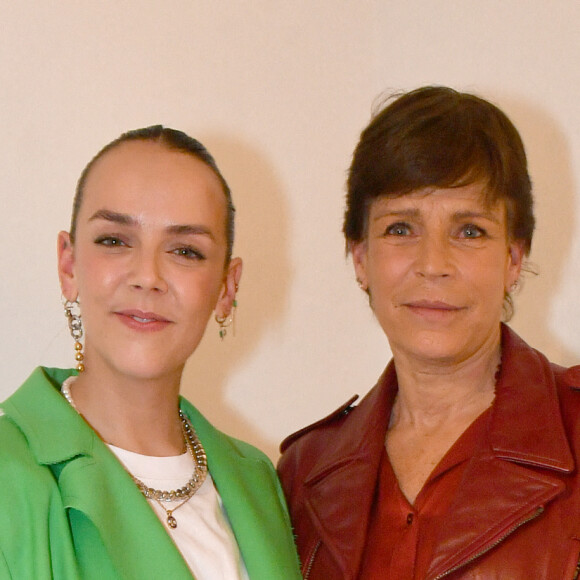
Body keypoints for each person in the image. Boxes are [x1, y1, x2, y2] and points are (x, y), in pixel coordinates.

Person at [278, 87, 580, 579]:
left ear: (513, 259)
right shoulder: (302, 474)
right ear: (360, 258)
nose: (433, 264)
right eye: (400, 228)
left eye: (470, 231)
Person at [0, 126, 301, 579]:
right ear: (68, 264)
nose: (148, 276)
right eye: (115, 241)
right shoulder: (10, 475)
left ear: (226, 287)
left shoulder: (258, 480)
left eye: (185, 250)